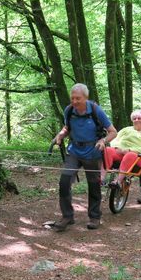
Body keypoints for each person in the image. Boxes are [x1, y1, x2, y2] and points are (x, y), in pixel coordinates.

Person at [53, 84, 117, 231]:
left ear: (86, 98)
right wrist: (61, 134)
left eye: (78, 98)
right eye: (72, 98)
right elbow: (67, 127)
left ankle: (95, 217)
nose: (74, 101)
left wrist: (103, 141)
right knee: (64, 181)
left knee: (93, 184)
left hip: (92, 152)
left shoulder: (96, 110)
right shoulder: (69, 110)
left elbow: (113, 132)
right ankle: (67, 217)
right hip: (74, 150)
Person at [102, 110, 141, 190]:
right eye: (134, 118)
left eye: (139, 118)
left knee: (130, 155)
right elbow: (114, 139)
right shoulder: (126, 130)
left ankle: (118, 181)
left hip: (137, 159)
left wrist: (130, 150)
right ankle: (101, 178)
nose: (136, 120)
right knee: (107, 150)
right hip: (120, 153)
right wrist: (119, 148)